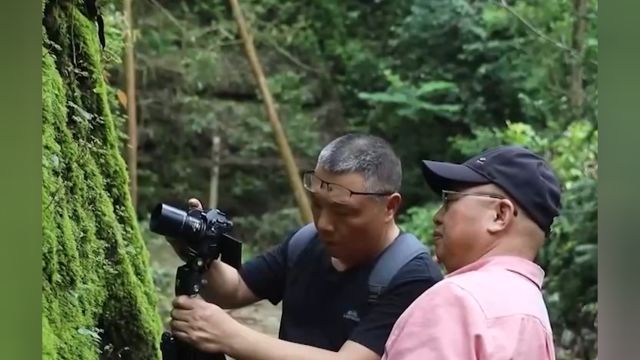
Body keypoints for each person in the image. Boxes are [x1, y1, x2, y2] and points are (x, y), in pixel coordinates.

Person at [168, 133, 443, 360]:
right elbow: (235, 289)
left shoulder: (412, 277)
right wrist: (195, 248)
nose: (324, 223)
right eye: (317, 204)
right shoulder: (306, 242)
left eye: (342, 211)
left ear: (390, 207)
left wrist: (228, 335)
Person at [382, 145, 562, 360]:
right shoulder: (530, 310)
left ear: (499, 215)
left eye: (449, 201)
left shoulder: (455, 300)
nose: (437, 216)